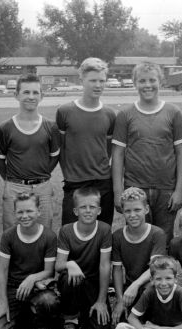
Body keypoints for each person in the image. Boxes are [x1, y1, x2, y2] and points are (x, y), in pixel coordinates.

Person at [111, 62, 182, 243]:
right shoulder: (125, 114)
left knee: (164, 237)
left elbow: (181, 152)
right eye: (142, 81)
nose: (147, 85)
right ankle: (137, 271)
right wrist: (117, 191)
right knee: (138, 237)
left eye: (152, 80)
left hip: (166, 189)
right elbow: (118, 154)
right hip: (135, 187)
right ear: (134, 83)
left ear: (161, 81)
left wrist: (179, 190)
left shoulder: (173, 112)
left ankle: (162, 271)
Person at [0, 73, 60, 231]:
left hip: (42, 187)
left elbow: (54, 157)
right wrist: (12, 179)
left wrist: (41, 175)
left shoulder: (50, 127)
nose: (31, 96)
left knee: (44, 231)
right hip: (15, 187)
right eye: (26, 92)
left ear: (42, 96)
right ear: (16, 95)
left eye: (35, 92)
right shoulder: (6, 128)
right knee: (12, 232)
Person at [0, 193, 59, 329]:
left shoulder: (49, 236)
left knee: (48, 301)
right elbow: (2, 270)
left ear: (38, 211)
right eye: (20, 212)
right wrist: (3, 302)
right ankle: (21, 314)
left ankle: (36, 318)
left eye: (29, 211)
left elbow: (49, 271)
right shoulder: (8, 236)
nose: (25, 216)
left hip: (37, 287)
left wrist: (31, 278)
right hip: (14, 288)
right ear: (14, 213)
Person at [55, 58, 116, 226]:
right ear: (81, 80)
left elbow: (108, 149)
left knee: (102, 232)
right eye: (93, 80)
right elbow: (61, 147)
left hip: (103, 182)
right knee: (71, 232)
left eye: (102, 81)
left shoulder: (110, 114)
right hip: (75, 182)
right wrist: (68, 173)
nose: (98, 85)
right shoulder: (65, 111)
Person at [55, 186, 112, 329]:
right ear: (75, 211)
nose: (88, 211)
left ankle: (85, 312)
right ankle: (70, 319)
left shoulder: (104, 230)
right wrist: (71, 264)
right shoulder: (66, 231)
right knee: (69, 278)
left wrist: (101, 301)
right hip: (72, 281)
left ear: (99, 210)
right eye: (83, 207)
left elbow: (105, 265)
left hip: (92, 282)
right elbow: (59, 265)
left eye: (92, 207)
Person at [111, 187, 167, 325]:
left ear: (146, 209)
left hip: (150, 285)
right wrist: (119, 300)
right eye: (128, 211)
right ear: (122, 212)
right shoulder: (117, 236)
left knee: (149, 291)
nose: (132, 215)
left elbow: (155, 267)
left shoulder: (157, 234)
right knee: (117, 326)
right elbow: (117, 269)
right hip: (130, 288)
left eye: (137, 210)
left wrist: (135, 285)